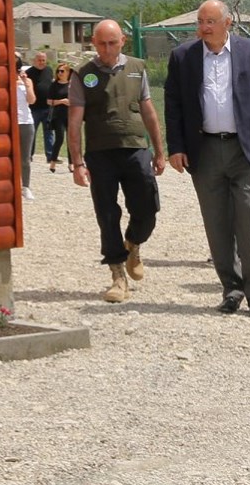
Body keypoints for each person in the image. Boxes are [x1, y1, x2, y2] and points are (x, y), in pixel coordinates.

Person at [164, 0, 250, 316]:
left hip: (245, 149)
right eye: (201, 21)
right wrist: (176, 146)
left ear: (227, 23)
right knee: (216, 223)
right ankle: (231, 289)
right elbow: (173, 105)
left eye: (211, 21)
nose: (204, 27)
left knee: (249, 220)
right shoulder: (183, 56)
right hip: (204, 150)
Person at [69, 20, 166, 303]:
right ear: (93, 43)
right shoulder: (83, 74)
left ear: (123, 40)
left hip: (135, 148)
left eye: (112, 42)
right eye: (101, 43)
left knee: (147, 207)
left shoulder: (137, 68)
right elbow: (74, 121)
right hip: (100, 153)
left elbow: (148, 111)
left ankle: (133, 242)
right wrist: (77, 163)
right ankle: (117, 275)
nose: (107, 48)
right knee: (107, 213)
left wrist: (159, 151)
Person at [24, 51, 54, 164]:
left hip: (48, 108)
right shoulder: (28, 73)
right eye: (39, 60)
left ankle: (50, 156)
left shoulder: (49, 70)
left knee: (49, 132)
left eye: (43, 60)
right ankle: (29, 155)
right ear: (34, 61)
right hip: (34, 109)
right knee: (32, 133)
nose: (41, 62)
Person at [15, 59, 37, 202]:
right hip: (12, 122)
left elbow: (32, 100)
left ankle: (26, 187)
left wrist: (26, 84)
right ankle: (14, 185)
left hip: (26, 122)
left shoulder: (27, 81)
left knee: (25, 158)